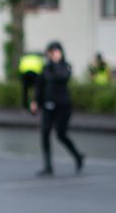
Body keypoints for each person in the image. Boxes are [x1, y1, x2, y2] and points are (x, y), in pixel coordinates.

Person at [30, 41, 84, 177]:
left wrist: (56, 63)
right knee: (45, 133)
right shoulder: (45, 68)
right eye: (51, 52)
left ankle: (78, 156)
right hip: (48, 107)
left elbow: (62, 77)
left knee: (61, 134)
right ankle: (48, 166)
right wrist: (35, 101)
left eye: (55, 52)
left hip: (63, 107)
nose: (53, 55)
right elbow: (39, 85)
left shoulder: (65, 66)